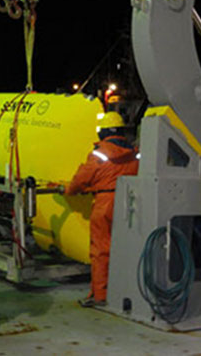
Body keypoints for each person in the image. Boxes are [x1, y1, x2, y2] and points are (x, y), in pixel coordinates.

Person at [66, 111, 139, 307]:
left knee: (100, 250)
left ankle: (100, 295)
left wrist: (69, 190)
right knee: (124, 248)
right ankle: (124, 289)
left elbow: (82, 178)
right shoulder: (133, 152)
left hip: (105, 203)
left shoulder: (99, 153)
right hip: (128, 203)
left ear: (103, 132)